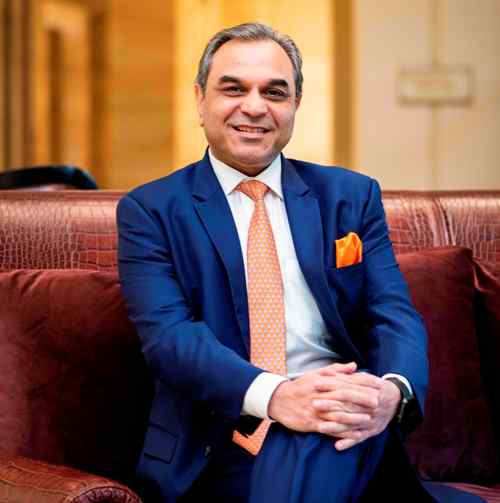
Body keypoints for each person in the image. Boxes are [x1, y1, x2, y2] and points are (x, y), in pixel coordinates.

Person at [117, 22, 483, 503]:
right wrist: (278, 396)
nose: (255, 107)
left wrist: (392, 392)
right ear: (200, 99)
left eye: (275, 92)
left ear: (295, 105)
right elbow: (170, 338)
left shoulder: (350, 196)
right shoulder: (151, 210)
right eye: (233, 89)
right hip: (223, 433)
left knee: (331, 426)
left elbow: (392, 313)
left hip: (346, 420)